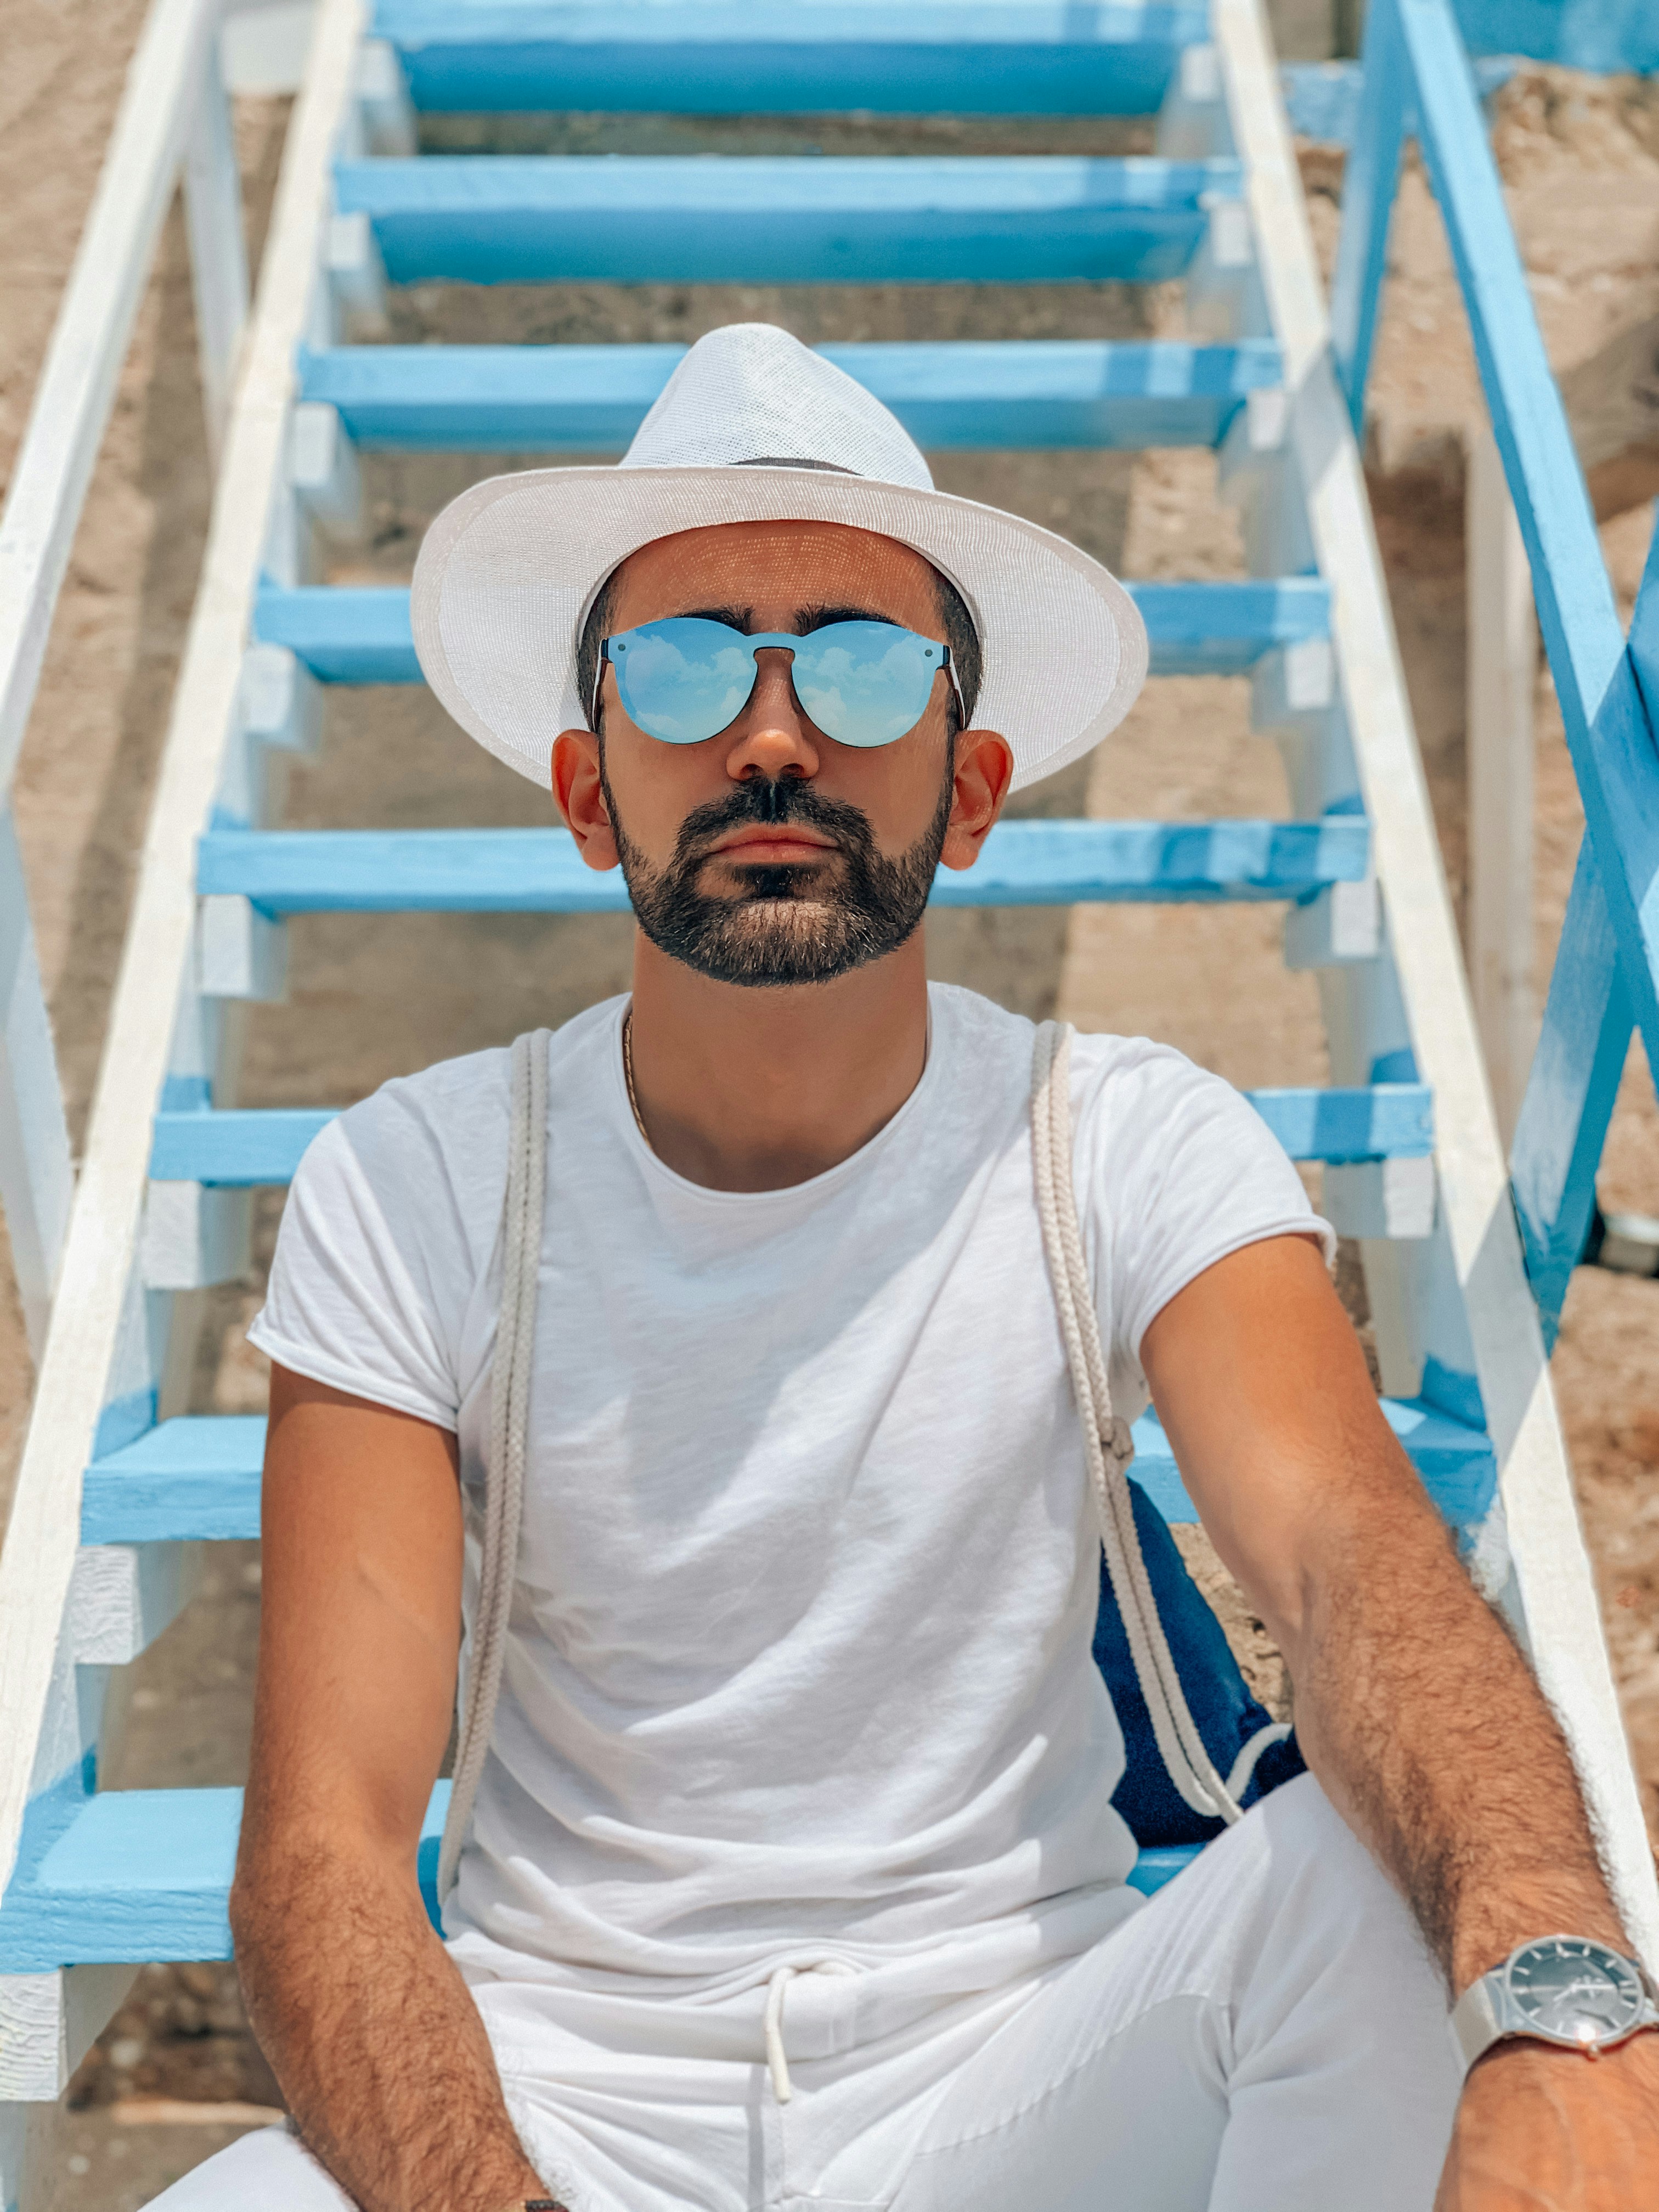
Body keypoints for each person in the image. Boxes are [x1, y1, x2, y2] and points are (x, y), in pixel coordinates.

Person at [150, 326, 1656, 2212]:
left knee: (1378, 1901)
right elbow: (330, 1856)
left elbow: (1349, 1559)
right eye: (685, 667)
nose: (773, 737)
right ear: (588, 788)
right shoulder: (420, 1180)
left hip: (1009, 2084)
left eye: (864, 671)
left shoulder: (1123, 1139)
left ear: (970, 785)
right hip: (568, 2109)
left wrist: (1561, 2005)